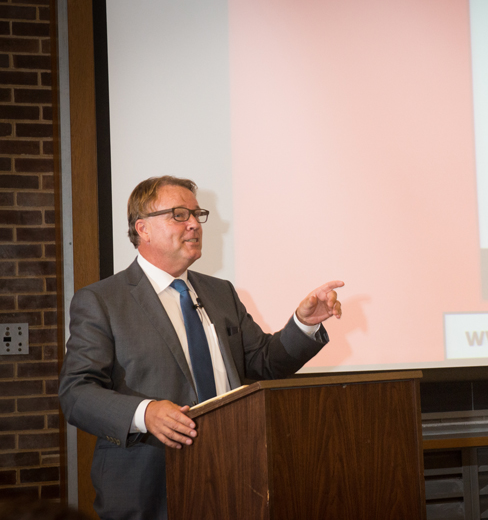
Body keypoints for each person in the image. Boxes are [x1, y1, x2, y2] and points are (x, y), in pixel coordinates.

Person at [58, 176, 343, 520]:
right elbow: (76, 393)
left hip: (234, 478)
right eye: (179, 214)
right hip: (149, 489)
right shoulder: (102, 301)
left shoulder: (220, 292)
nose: (194, 224)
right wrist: (144, 413)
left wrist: (304, 324)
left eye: (196, 214)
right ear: (143, 228)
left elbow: (264, 363)